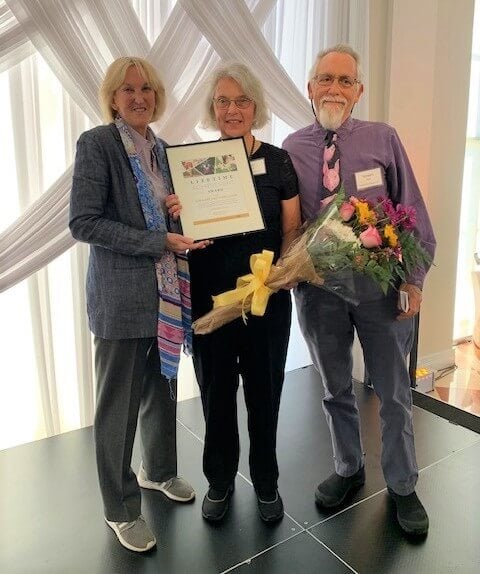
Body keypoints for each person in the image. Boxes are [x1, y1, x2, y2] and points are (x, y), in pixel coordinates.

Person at [283, 45, 436, 536]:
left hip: (381, 290)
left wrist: (414, 279)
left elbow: (411, 208)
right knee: (333, 388)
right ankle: (349, 468)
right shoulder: (291, 147)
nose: (334, 88)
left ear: (359, 91)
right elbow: (280, 220)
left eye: (346, 81)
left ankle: (403, 484)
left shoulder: (382, 138)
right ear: (309, 89)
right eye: (325, 79)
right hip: (319, 292)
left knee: (393, 391)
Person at [69, 57, 209, 553]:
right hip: (121, 300)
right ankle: (120, 508)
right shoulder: (98, 145)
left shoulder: (166, 150)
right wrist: (158, 242)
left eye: (146, 88)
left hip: (165, 297)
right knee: (117, 410)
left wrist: (184, 212)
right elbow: (83, 223)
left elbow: (175, 212)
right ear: (112, 97)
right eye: (127, 89)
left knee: (161, 389)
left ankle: (160, 471)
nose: (138, 96)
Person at [189, 63, 301, 523]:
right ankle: (218, 480)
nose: (231, 110)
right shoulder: (192, 165)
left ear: (256, 107)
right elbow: (182, 230)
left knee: (264, 393)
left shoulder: (278, 162)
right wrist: (177, 211)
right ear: (211, 108)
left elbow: (292, 231)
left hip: (265, 300)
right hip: (211, 302)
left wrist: (288, 270)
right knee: (215, 395)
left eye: (241, 101)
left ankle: (267, 482)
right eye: (222, 101)